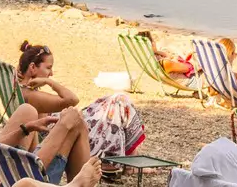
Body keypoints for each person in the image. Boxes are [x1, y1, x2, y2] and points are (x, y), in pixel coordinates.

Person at [13, 40, 146, 160]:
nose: (51, 73)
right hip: (67, 130)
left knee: (115, 101)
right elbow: (72, 99)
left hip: (68, 122)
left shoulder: (24, 90)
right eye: (48, 68)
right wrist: (48, 82)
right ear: (32, 67)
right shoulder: (31, 96)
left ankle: (131, 156)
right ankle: (130, 158)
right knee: (119, 101)